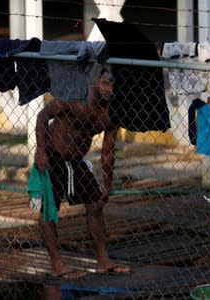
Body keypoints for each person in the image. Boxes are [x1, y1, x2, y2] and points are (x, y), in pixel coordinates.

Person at [34, 66, 130, 279]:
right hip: (52, 155)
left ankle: (103, 261)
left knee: (96, 204)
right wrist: (41, 151)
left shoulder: (113, 111)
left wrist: (107, 183)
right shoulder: (75, 96)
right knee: (49, 209)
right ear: (97, 80)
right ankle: (57, 264)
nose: (109, 90)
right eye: (106, 83)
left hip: (77, 161)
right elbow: (43, 116)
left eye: (114, 86)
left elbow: (108, 149)